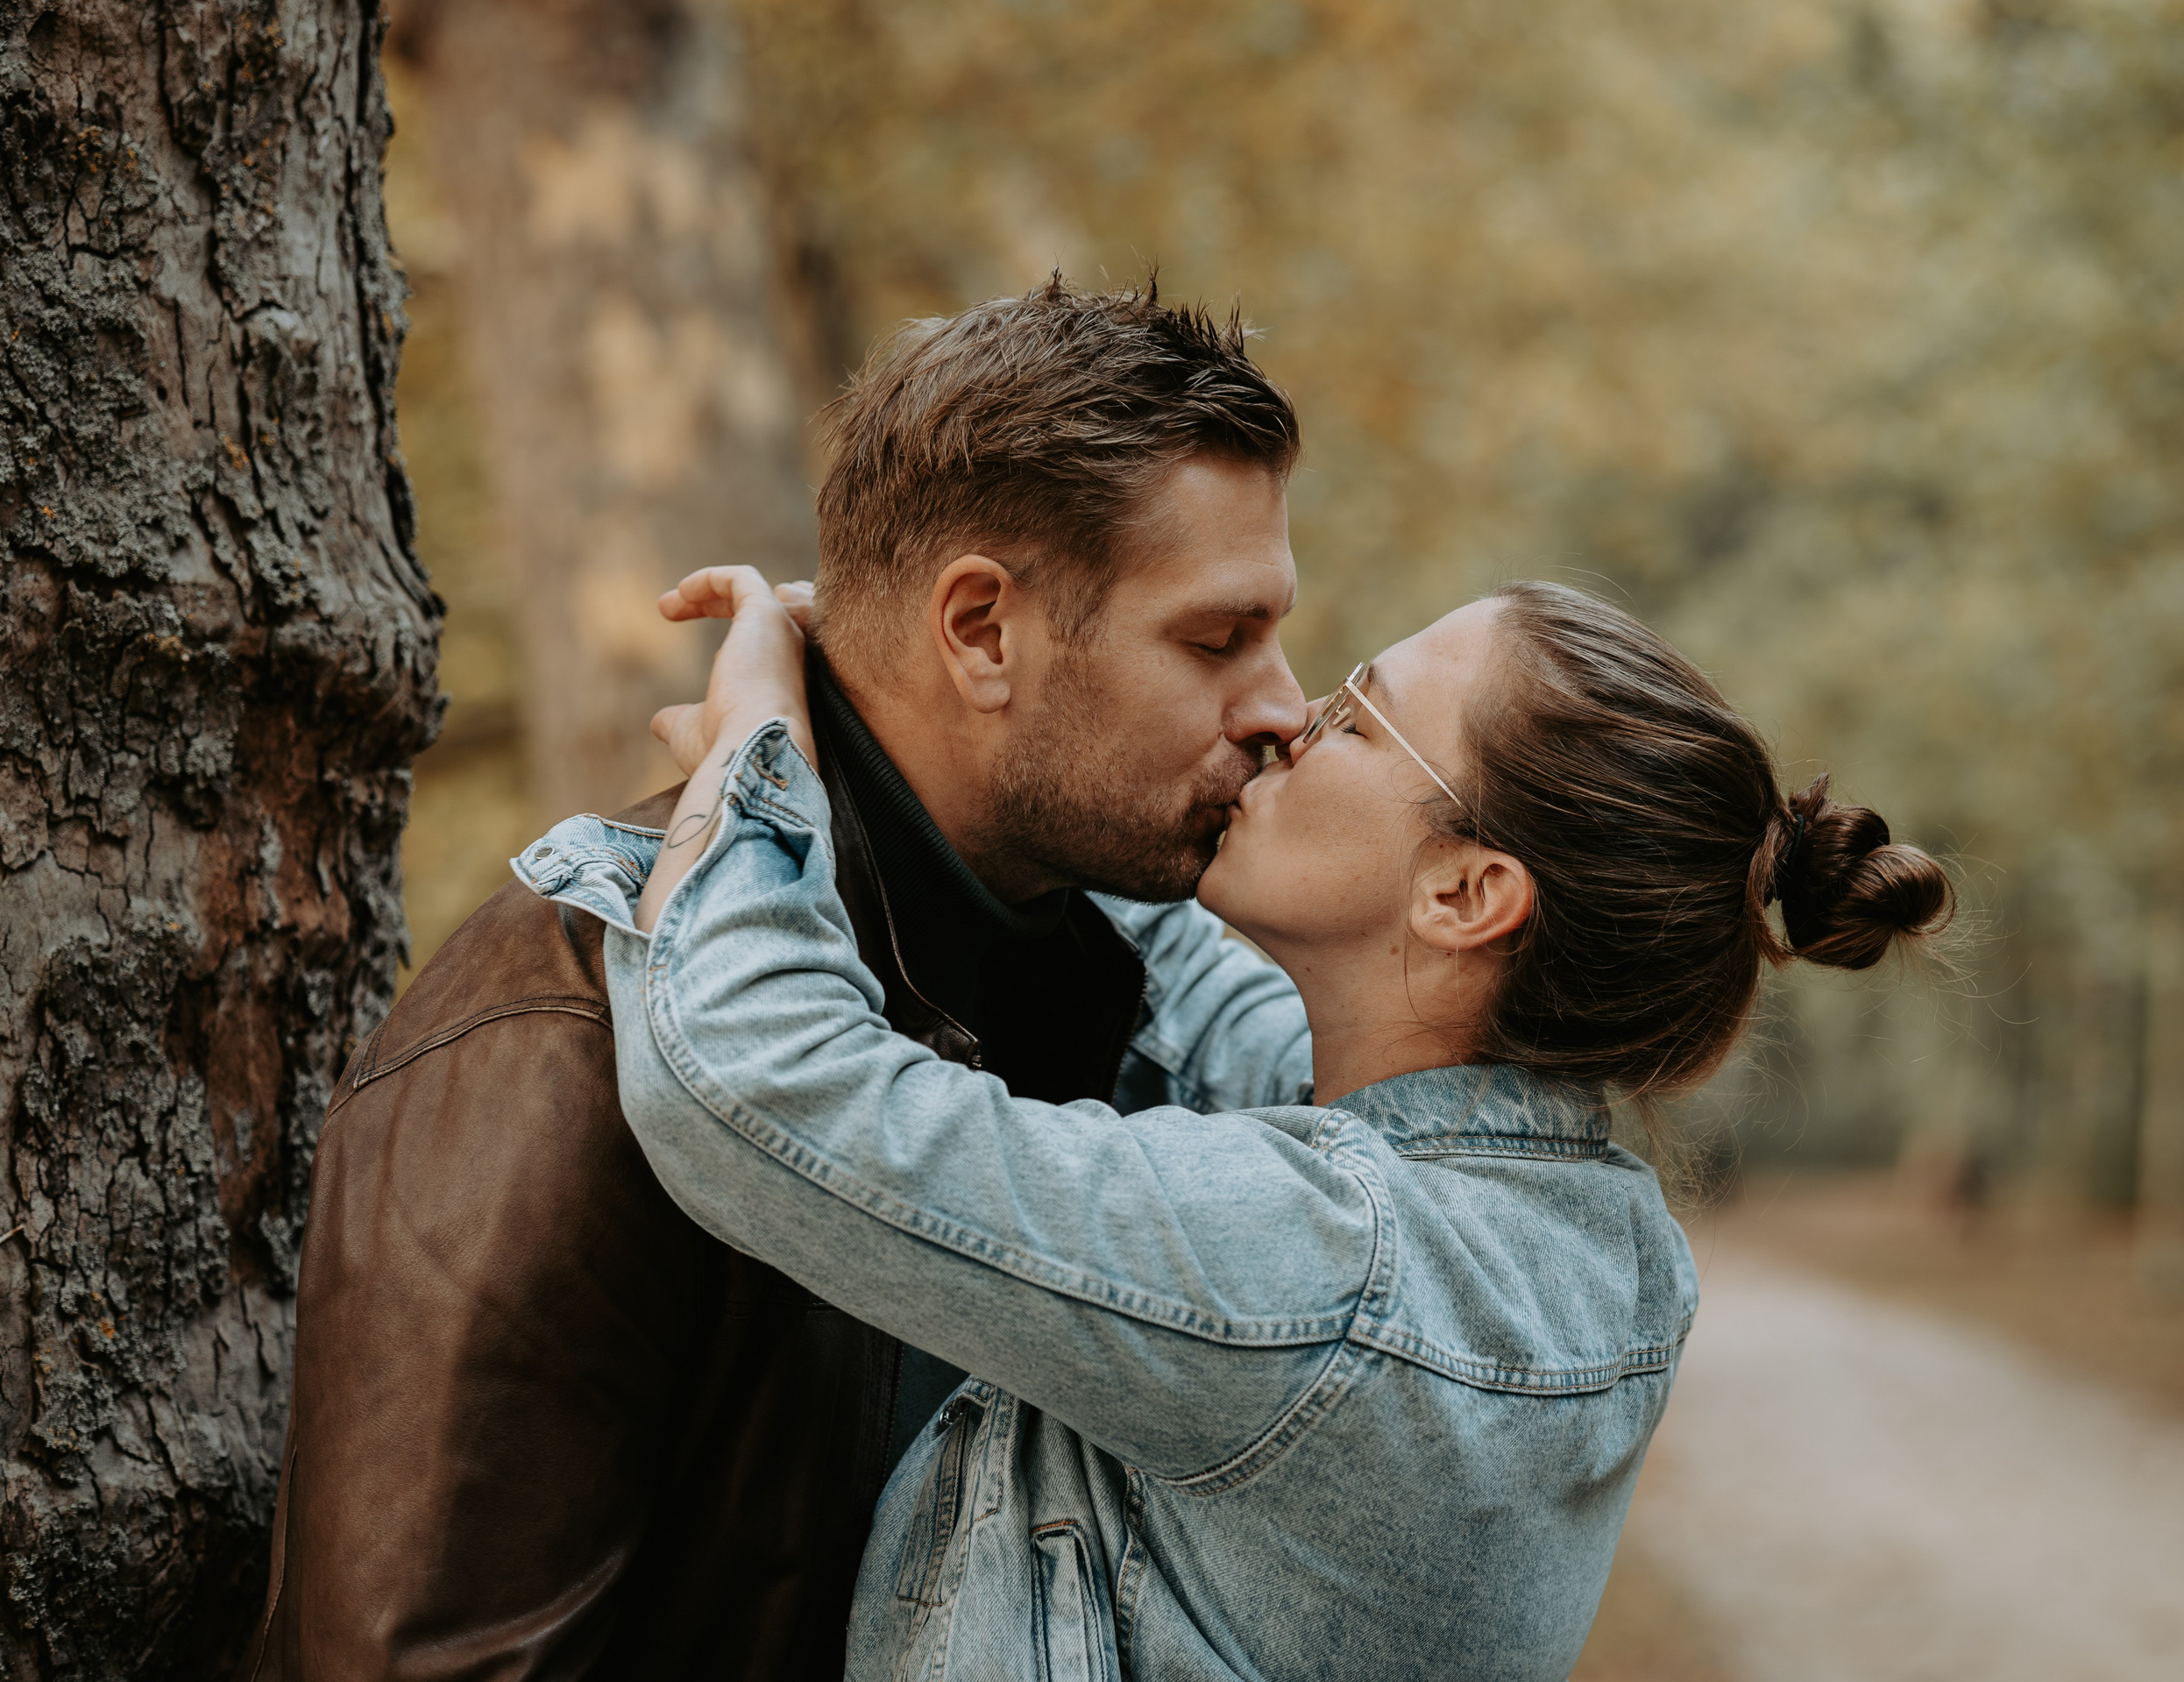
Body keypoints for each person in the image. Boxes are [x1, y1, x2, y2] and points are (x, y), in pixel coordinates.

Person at [513, 568, 1954, 1681]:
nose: (1283, 720)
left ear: (1464, 895)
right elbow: (1199, 991)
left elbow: (763, 1084)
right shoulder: (1579, 1239)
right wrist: (947, 696)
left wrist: (756, 740)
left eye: (1354, 715)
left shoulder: (1332, 1269)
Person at [239, 279, 1309, 1679]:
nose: (1285, 705)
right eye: (1216, 641)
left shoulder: (1113, 988)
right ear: (980, 630)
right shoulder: (561, 1021)